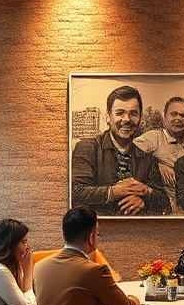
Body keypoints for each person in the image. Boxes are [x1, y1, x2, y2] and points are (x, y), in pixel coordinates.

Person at [71, 85, 171, 216]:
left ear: (140, 117)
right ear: (108, 116)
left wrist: (145, 197)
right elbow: (75, 194)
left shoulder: (148, 160)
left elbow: (166, 206)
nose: (127, 119)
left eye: (133, 114)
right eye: (120, 113)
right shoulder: (88, 148)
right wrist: (114, 192)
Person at [134, 96, 184, 211]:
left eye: (183, 115)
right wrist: (157, 165)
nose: (178, 119)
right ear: (164, 115)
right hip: (161, 207)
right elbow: (131, 152)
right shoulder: (154, 137)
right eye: (173, 114)